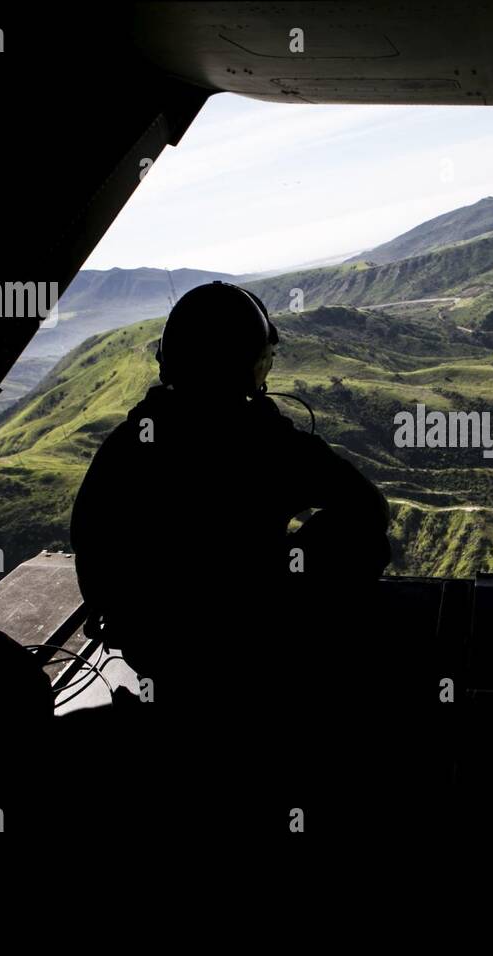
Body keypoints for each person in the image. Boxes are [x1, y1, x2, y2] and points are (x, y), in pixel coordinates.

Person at [69, 282, 391, 707]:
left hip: (156, 655)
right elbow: (367, 507)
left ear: (169, 361)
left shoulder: (129, 441)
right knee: (367, 538)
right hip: (253, 641)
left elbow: (89, 541)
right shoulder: (266, 442)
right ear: (254, 365)